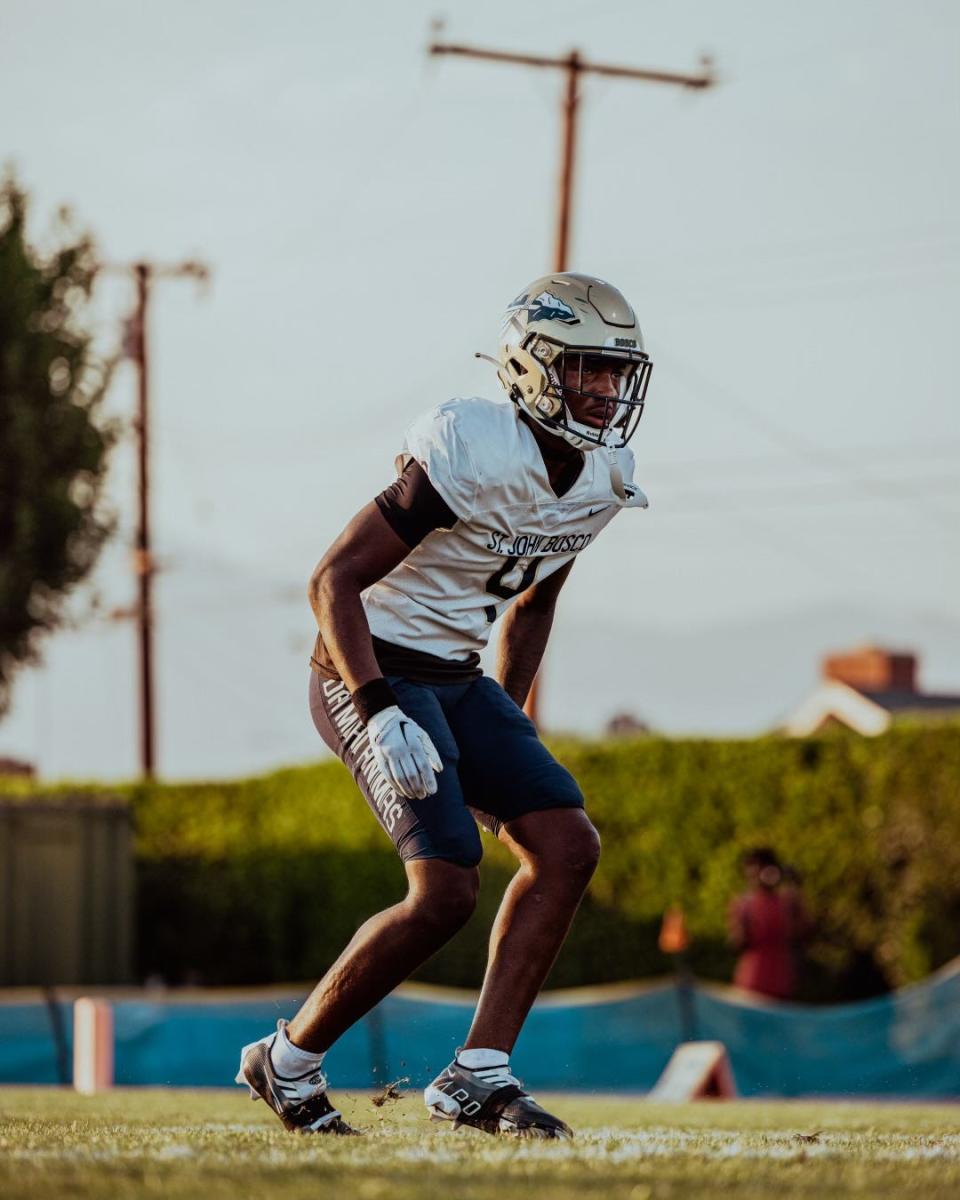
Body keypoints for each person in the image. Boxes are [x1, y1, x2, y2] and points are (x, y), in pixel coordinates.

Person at [235, 273, 653, 1138]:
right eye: (586, 371)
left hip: (459, 680)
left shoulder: (603, 474)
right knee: (446, 890)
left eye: (616, 375)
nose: (605, 392)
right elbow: (332, 580)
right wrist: (378, 708)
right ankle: (287, 1060)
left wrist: (505, 732)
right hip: (365, 664)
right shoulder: (473, 442)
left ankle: (478, 1073)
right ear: (534, 369)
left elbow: (532, 603)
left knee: (568, 845)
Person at [727, 847, 811, 1001]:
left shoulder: (789, 902)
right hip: (750, 985)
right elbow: (737, 944)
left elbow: (803, 935)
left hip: (781, 984)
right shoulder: (744, 904)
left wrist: (796, 888)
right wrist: (742, 922)